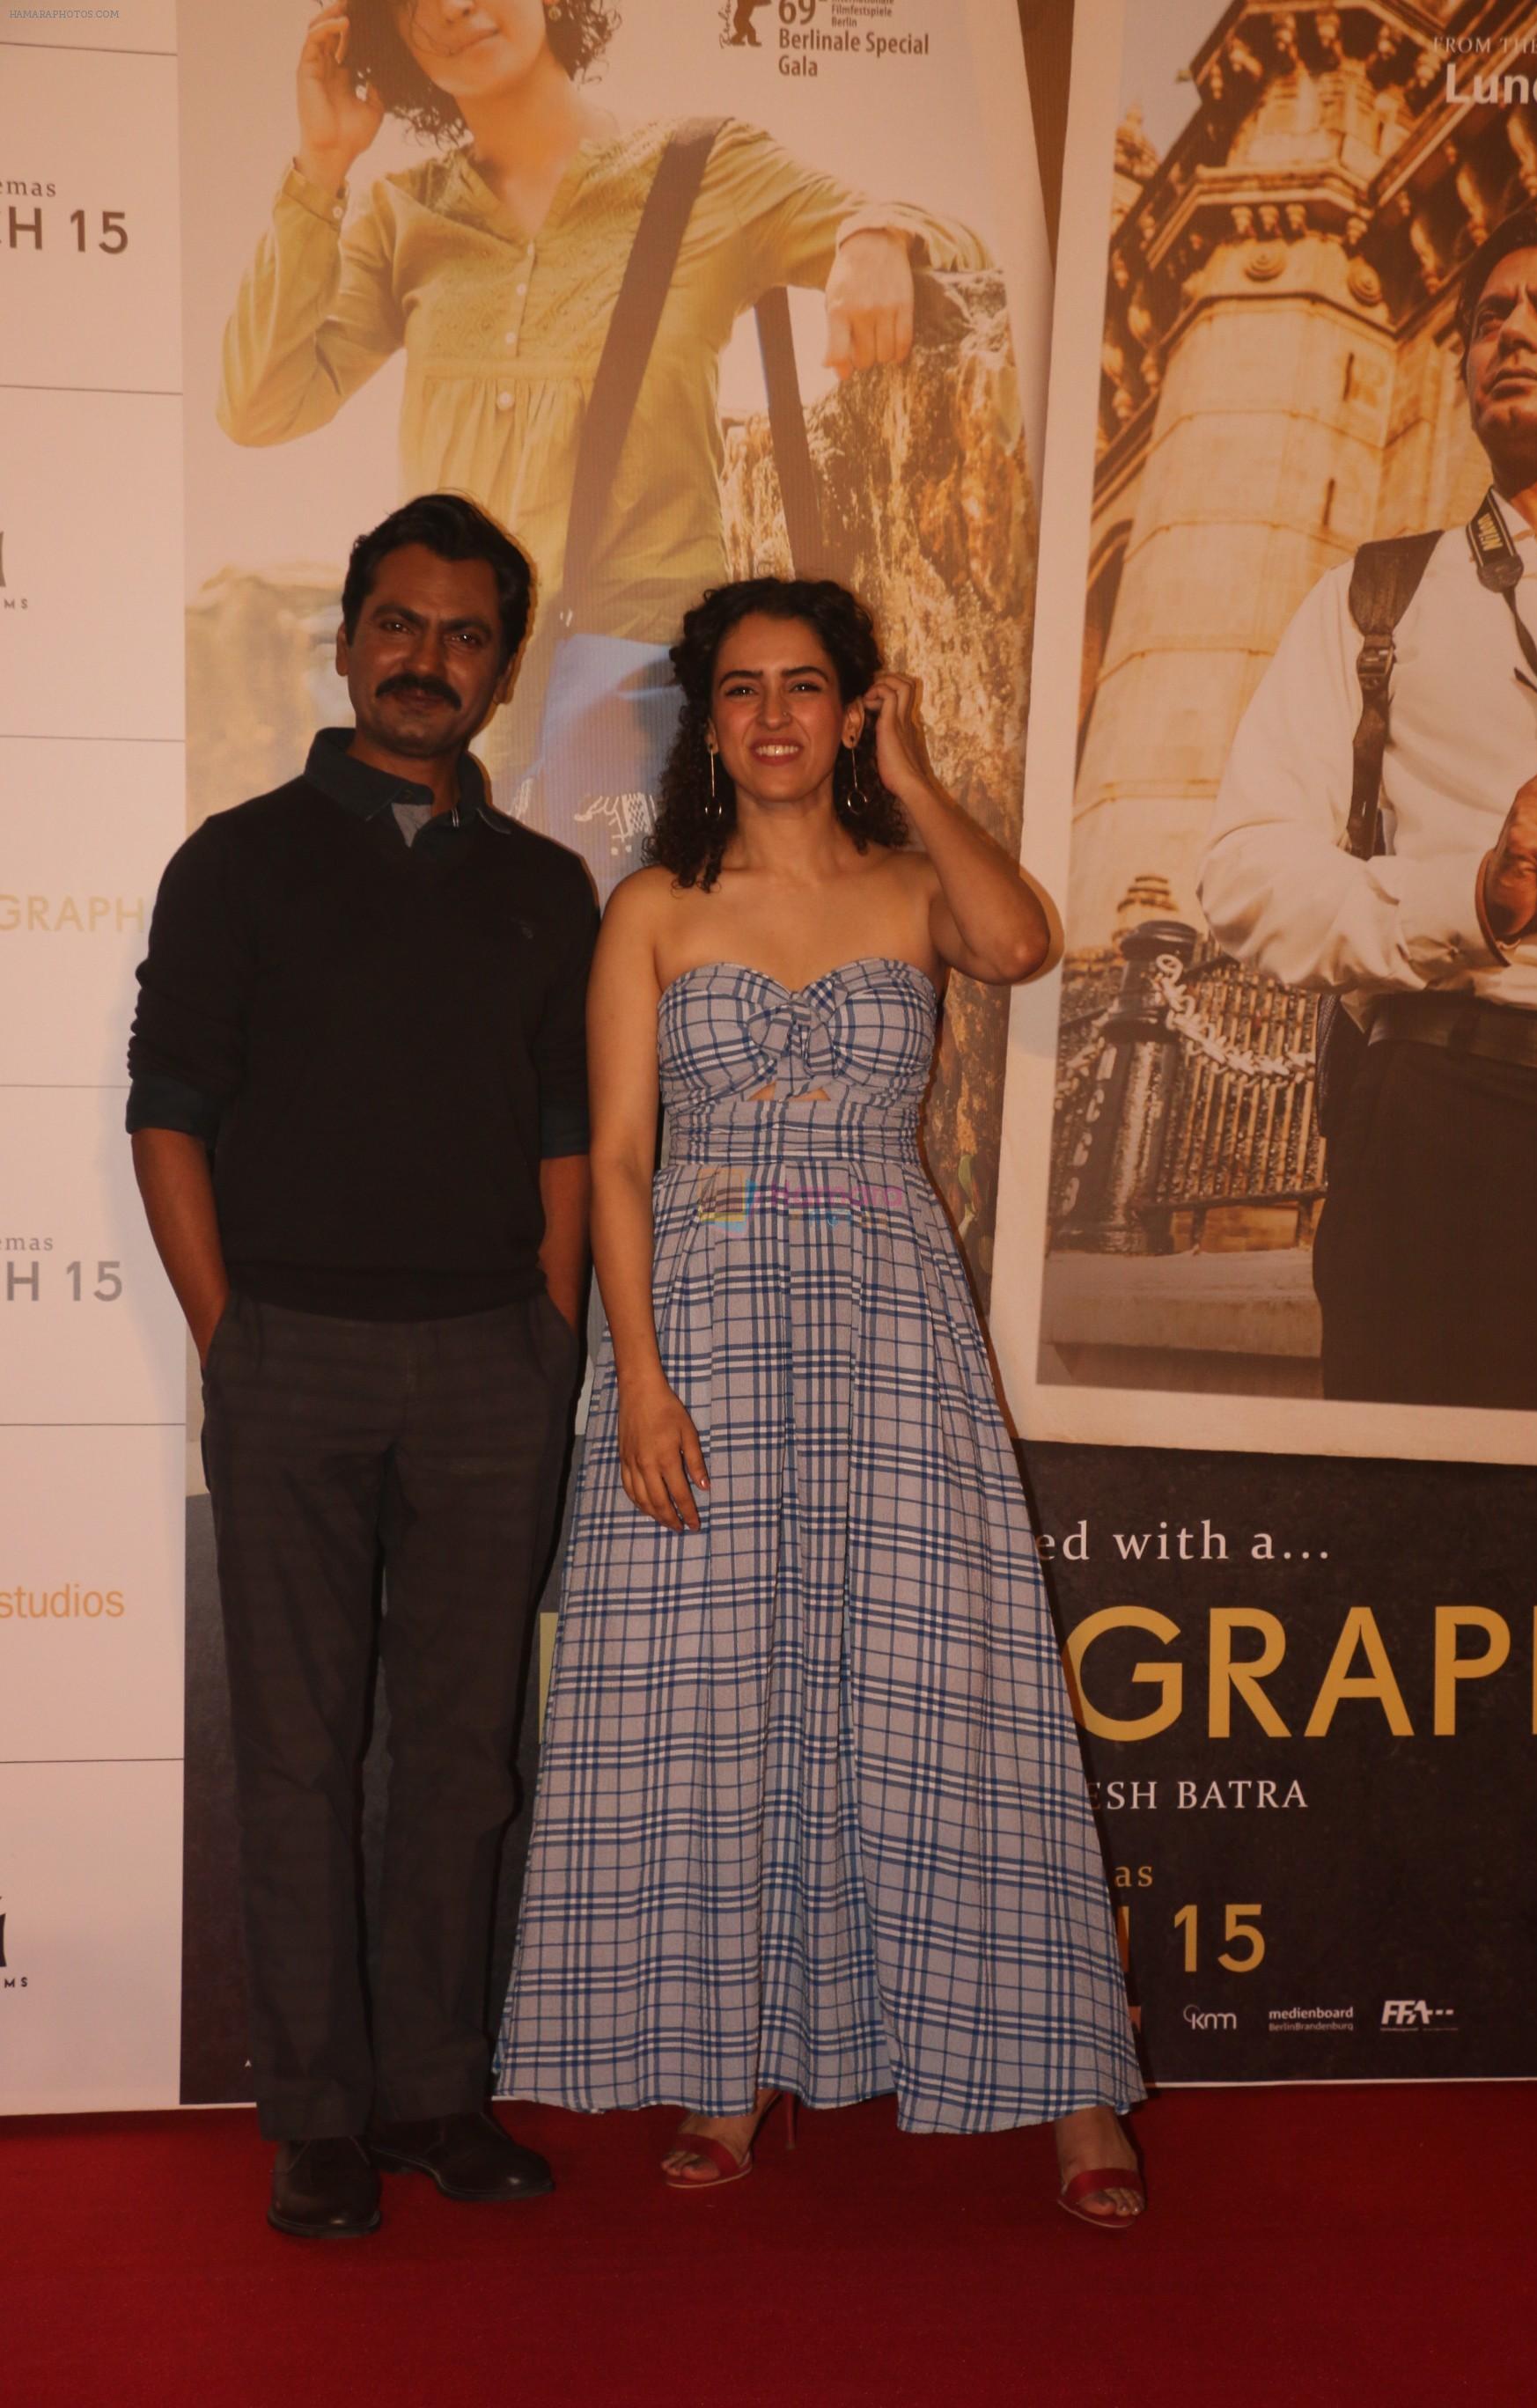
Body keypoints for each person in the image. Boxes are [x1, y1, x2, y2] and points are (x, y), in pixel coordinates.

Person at [496, 576, 1146, 2228]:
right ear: (703, 721)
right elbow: (624, 1158)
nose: (772, 714)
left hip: (884, 1320)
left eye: (805, 686)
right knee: (709, 1698)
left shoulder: (908, 884)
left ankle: (1070, 2085)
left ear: (848, 706)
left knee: (954, 1689)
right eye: (739, 689)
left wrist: (911, 768)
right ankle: (725, 2068)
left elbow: (1016, 944)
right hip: (703, 1320)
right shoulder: (651, 905)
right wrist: (633, 1380)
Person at [127, 493, 596, 2240]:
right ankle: (317, 2114)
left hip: (490, 1369)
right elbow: (167, 1109)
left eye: (464, 635)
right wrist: (232, 1335)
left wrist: (547, 1343)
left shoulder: (550, 891)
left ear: (498, 670)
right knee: (304, 1755)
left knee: (464, 1758)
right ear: (347, 642)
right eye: (397, 624)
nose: (427, 659)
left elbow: (565, 1137)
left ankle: (432, 2098)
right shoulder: (236, 860)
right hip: (292, 1359)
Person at [221, 0, 990, 885]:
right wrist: (320, 168)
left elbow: (955, 248)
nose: (456, 7)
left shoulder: (701, 169)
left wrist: (873, 236)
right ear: (388, 37)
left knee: (628, 983)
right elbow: (260, 405)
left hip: (638, 690)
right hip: (467, 697)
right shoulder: (407, 215)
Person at [1200, 207, 1537, 1414]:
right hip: (1448, 1143)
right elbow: (1245, 878)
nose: (1509, 335)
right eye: (1488, 317)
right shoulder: (1372, 597)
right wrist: (1474, 894)